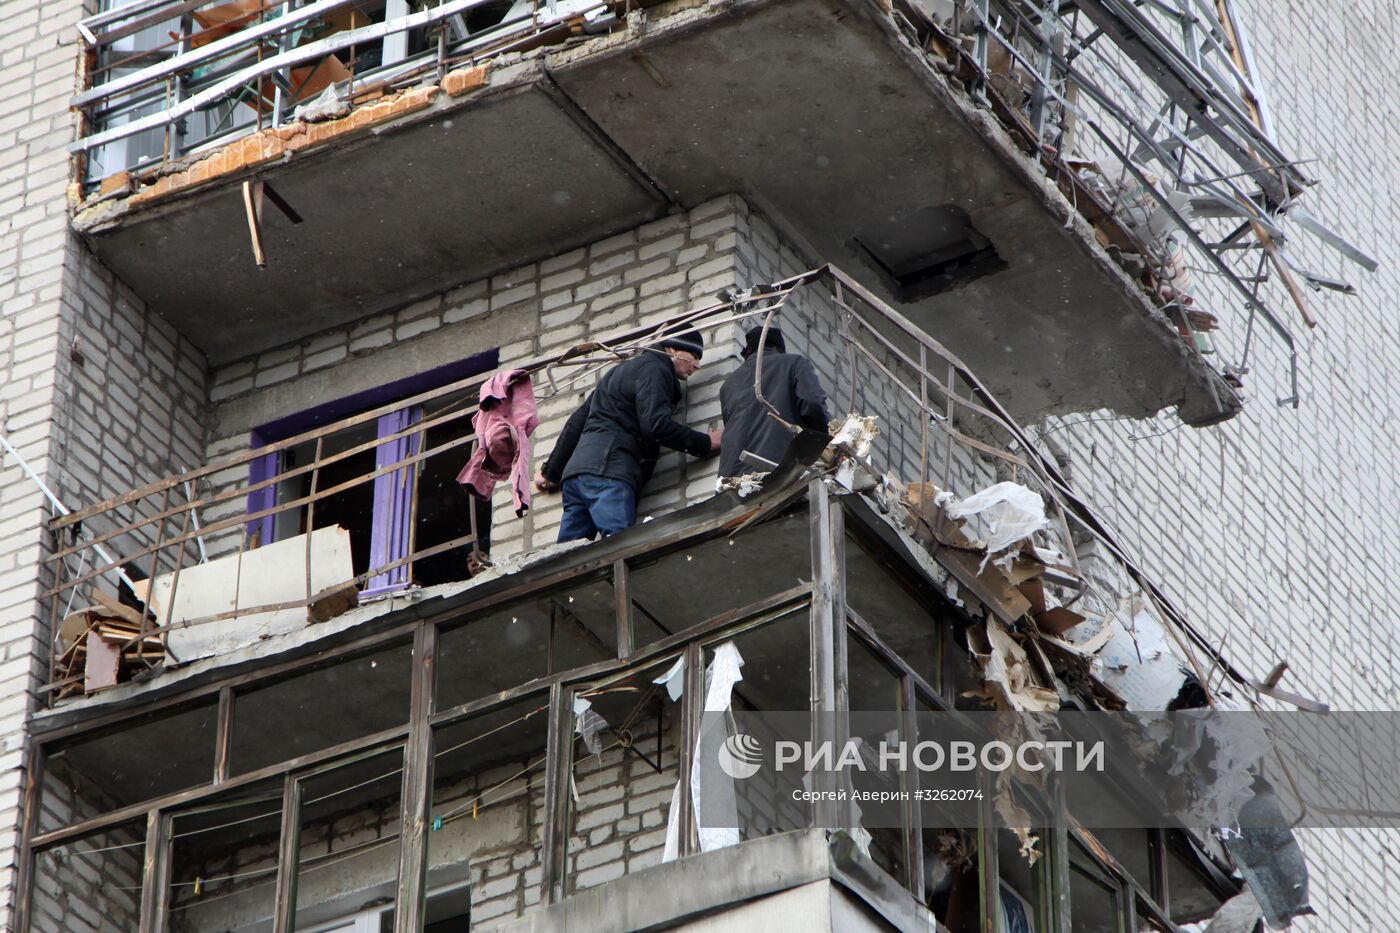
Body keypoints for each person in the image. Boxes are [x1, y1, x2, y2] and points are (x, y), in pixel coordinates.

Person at [535, 330, 722, 541]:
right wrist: (705, 443)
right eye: (694, 357)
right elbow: (656, 425)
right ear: (672, 349)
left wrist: (551, 471)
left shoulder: (619, 372)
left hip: (576, 477)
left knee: (566, 559)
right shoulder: (656, 368)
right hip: (609, 471)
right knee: (620, 544)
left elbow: (577, 421)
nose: (697, 366)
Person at [718, 326, 830, 477]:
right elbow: (813, 404)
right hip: (780, 469)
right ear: (778, 348)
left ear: (748, 352)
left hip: (734, 481)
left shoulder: (728, 385)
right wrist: (825, 443)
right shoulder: (794, 363)